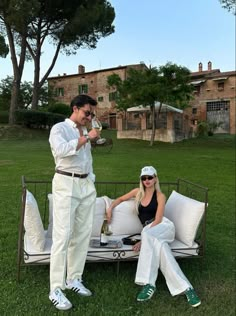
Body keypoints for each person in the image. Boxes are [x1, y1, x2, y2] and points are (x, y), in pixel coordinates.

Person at [106, 166, 201, 308]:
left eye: (150, 177)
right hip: (152, 233)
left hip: (164, 227)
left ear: (155, 178)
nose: (147, 180)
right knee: (162, 249)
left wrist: (144, 240)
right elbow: (120, 199)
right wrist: (110, 208)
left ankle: (148, 283)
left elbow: (157, 220)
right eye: (144, 178)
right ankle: (187, 289)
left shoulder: (160, 196)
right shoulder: (137, 192)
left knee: (146, 232)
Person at [48, 94, 100, 310]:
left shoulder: (84, 131)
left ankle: (74, 278)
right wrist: (86, 138)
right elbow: (61, 151)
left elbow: (85, 160)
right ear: (75, 108)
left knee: (83, 233)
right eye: (87, 113)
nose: (89, 117)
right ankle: (56, 288)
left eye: (92, 114)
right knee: (63, 235)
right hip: (66, 183)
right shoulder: (60, 128)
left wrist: (91, 179)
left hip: (85, 184)